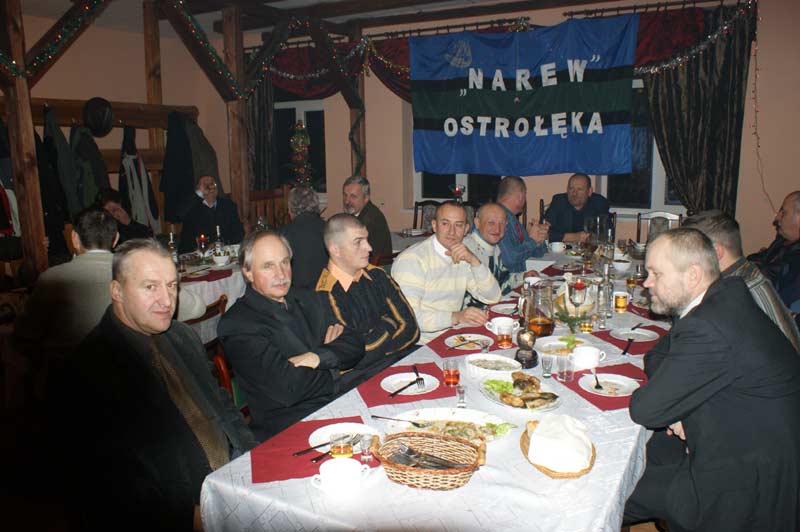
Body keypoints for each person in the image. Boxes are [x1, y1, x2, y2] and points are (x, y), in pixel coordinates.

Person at [49, 239, 255, 531]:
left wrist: (254, 459)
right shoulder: (86, 373)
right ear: (117, 291)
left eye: (171, 286)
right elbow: (115, 490)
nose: (167, 300)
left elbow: (222, 405)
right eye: (150, 287)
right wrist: (203, 518)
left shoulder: (181, 336)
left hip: (232, 480)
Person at [624, 228, 800, 532]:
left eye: (656, 274)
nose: (646, 282)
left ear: (692, 275)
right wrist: (680, 407)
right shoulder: (723, 297)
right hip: (734, 438)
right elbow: (657, 354)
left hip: (746, 483)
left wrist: (676, 406)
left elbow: (645, 409)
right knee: (633, 456)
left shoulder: (709, 326)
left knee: (608, 492)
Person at [218, 231, 364, 441]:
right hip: (291, 427)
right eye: (268, 266)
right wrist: (336, 364)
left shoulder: (309, 297)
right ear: (248, 272)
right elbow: (290, 388)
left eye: (284, 262)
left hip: (341, 403)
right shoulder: (238, 324)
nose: (281, 274)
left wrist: (316, 358)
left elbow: (355, 343)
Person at [683, 210, 800, 352]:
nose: (684, 259)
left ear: (716, 252)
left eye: (690, 251)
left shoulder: (739, 290)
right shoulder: (742, 272)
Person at [14, 207, 118, 361]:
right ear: (116, 239)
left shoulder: (52, 278)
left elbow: (25, 335)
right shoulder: (134, 274)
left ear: (74, 238)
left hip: (66, 370)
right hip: (124, 369)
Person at [316, 214, 419, 369]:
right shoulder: (326, 294)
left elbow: (412, 329)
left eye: (367, 239)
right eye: (358, 242)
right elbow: (353, 355)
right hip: (361, 377)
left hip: (398, 362)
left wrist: (375, 344)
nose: (369, 248)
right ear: (335, 250)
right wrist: (389, 323)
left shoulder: (377, 275)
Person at [392, 201, 501, 343]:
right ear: (434, 225)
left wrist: (474, 261)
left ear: (466, 229)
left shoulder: (461, 255)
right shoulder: (412, 260)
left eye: (458, 225)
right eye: (445, 223)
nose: (452, 231)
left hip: (452, 337)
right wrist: (456, 317)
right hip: (420, 344)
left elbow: (492, 297)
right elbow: (410, 318)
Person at [748, 190, 800, 325]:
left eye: (784, 212)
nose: (777, 218)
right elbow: (757, 259)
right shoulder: (782, 241)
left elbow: (772, 276)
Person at [463, 202, 520, 297]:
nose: (497, 229)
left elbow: (502, 281)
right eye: (491, 223)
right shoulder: (467, 249)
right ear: (477, 223)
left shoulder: (495, 248)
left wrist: (524, 276)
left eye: (501, 223)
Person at [178, 175, 244, 253]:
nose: (210, 186)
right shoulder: (191, 207)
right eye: (205, 184)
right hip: (196, 254)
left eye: (212, 183)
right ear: (198, 189)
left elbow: (238, 233)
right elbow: (179, 215)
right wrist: (201, 192)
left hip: (224, 252)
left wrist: (221, 244)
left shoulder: (228, 206)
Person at [496, 175, 548, 273]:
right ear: (520, 196)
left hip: (519, 277)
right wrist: (532, 240)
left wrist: (539, 239)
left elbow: (538, 254)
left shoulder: (513, 219)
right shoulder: (497, 218)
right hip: (505, 280)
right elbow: (509, 259)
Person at [281, 185, 328, 289]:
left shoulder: (283, 235)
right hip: (327, 290)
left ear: (290, 209)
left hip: (295, 294)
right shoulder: (330, 229)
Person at [544, 173, 610, 243]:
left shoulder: (599, 203)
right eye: (571, 188)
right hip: (562, 248)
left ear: (589, 191)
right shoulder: (559, 201)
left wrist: (590, 238)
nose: (574, 193)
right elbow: (544, 232)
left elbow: (606, 232)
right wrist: (573, 237)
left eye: (579, 189)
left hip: (589, 248)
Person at [342, 175, 392, 260]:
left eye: (353, 196)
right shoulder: (355, 213)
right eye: (345, 195)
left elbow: (365, 255)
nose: (347, 201)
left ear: (366, 198)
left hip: (374, 266)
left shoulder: (372, 219)